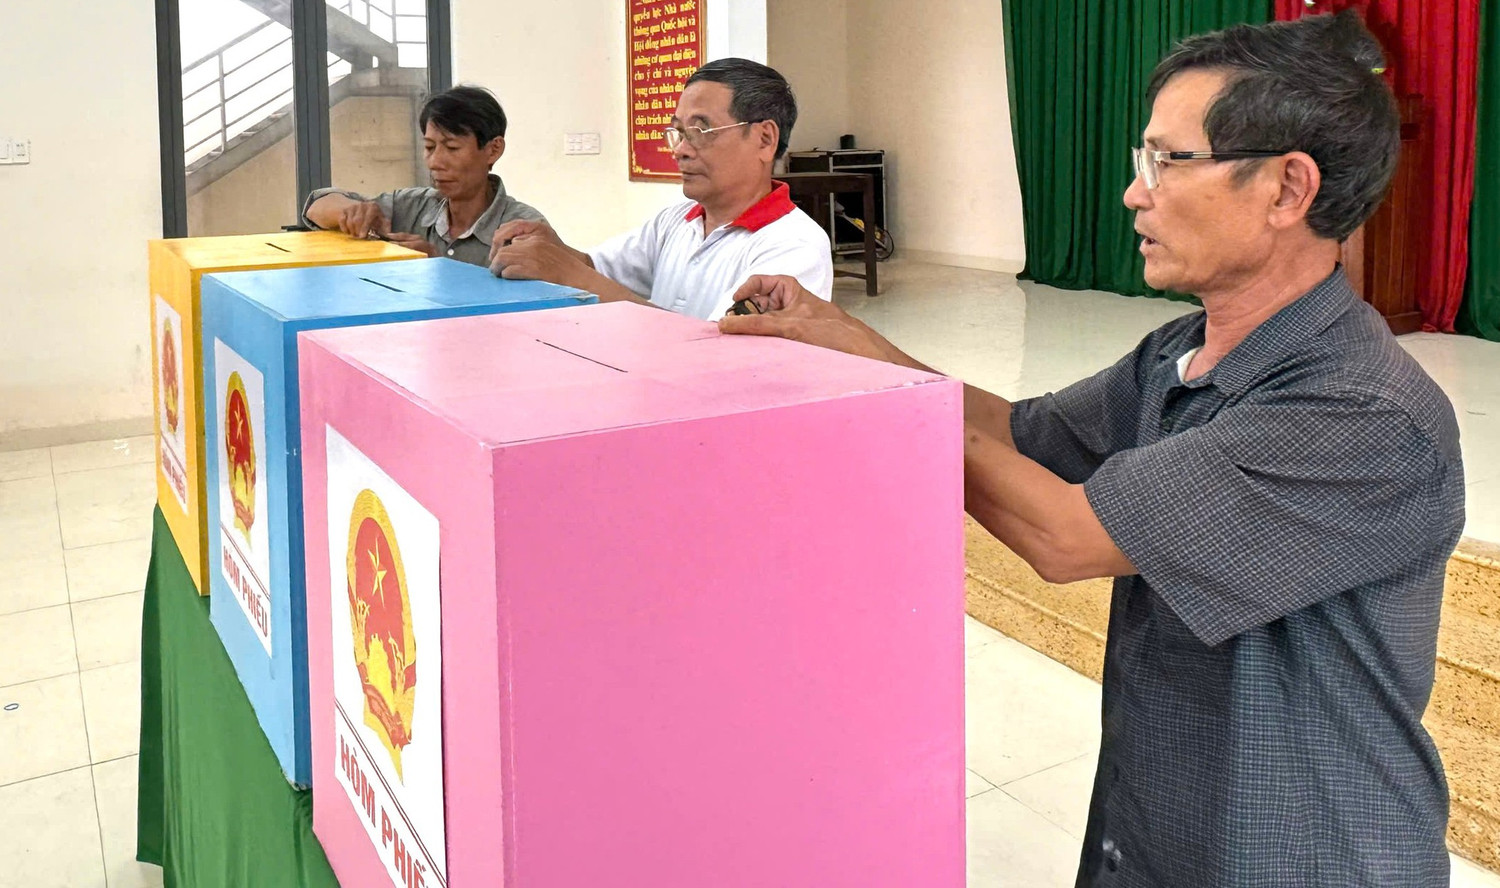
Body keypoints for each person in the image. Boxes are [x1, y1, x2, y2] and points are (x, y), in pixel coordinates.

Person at [721, 12, 1465, 887]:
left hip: (1300, 854)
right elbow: (1021, 434)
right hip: (1157, 825)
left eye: (1167, 162)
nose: (1134, 195)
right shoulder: (1179, 352)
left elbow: (1066, 535)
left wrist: (888, 394)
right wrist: (843, 336)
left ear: (1287, 188)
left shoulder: (1359, 413)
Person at [488, 58, 833, 321]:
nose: (680, 149)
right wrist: (553, 249)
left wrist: (570, 273)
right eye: (678, 132)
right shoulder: (676, 221)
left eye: (700, 131)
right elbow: (598, 268)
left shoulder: (794, 245)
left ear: (764, 139)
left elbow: (720, 351)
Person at [301, 85, 546, 266]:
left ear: (493, 149)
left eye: (452, 148)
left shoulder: (524, 230)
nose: (435, 162)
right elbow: (316, 207)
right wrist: (351, 211)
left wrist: (437, 268)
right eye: (429, 147)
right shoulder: (410, 206)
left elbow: (534, 310)